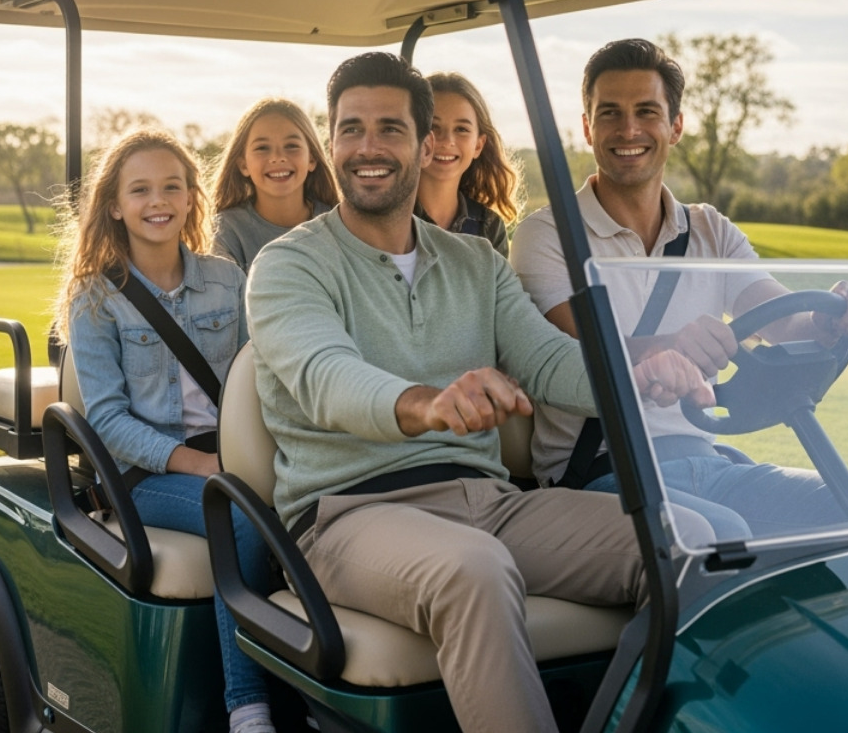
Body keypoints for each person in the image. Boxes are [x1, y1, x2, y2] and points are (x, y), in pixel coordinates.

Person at [245, 52, 712, 733]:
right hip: (347, 516)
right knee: (474, 569)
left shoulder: (475, 262)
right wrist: (424, 402)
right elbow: (325, 377)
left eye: (389, 129)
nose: (367, 148)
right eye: (350, 129)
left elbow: (549, 361)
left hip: (487, 501)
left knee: (686, 543)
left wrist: (634, 377)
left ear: (425, 140)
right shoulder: (288, 264)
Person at [511, 38, 848, 541]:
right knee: (723, 536)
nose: (629, 130)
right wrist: (669, 346)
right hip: (600, 472)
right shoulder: (548, 235)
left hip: (710, 460)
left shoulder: (710, 231)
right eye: (609, 114)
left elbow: (780, 317)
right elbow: (575, 356)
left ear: (676, 126)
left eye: (647, 111)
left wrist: (829, 320)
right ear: (586, 127)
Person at [56, 128, 276, 733]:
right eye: (141, 189)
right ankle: (249, 706)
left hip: (230, 460)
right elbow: (106, 422)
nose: (158, 201)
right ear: (115, 205)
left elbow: (253, 383)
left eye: (171, 187)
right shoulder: (95, 298)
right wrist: (197, 464)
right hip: (143, 472)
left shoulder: (227, 280)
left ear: (189, 198)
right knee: (240, 516)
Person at [212, 97, 338, 272]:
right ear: (243, 165)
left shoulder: (337, 224)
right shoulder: (228, 229)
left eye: (292, 145)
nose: (278, 157)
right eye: (262, 148)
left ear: (312, 158)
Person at [413, 72, 523, 256]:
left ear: (478, 145)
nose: (447, 141)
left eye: (461, 129)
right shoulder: (388, 216)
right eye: (433, 127)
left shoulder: (489, 228)